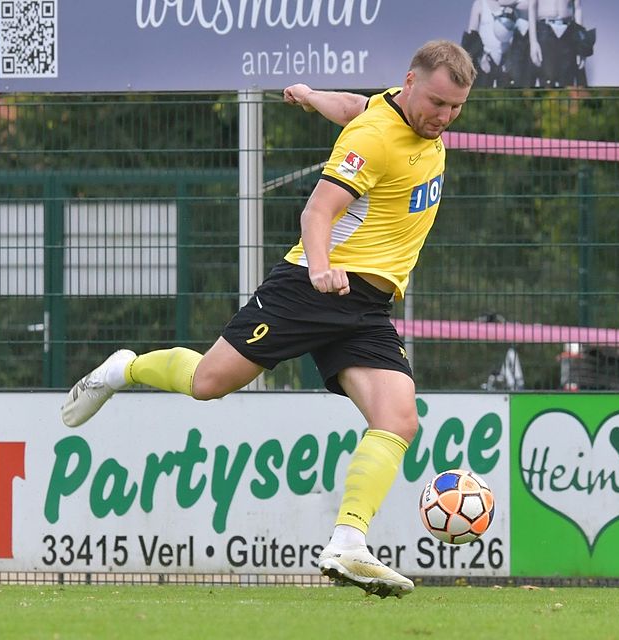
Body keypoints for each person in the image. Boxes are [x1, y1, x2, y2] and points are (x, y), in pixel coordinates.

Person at [60, 40, 476, 599]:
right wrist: (323, 268)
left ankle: (347, 545)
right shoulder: (375, 139)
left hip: (366, 309)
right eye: (436, 102)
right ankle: (124, 370)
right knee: (209, 383)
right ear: (410, 81)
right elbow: (317, 211)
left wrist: (309, 96)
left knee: (399, 418)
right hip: (310, 292)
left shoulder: (395, 117)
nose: (443, 117)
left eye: (455, 108)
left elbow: (357, 105)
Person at [462, 0, 539, 88]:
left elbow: (531, 4)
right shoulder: (480, 4)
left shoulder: (514, 5)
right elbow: (471, 37)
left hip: (507, 64)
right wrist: (481, 57)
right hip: (485, 62)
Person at [530, 0, 596, 88]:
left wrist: (580, 45)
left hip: (568, 29)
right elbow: (532, 7)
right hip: (545, 28)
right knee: (547, 80)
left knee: (567, 80)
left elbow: (578, 9)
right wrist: (533, 42)